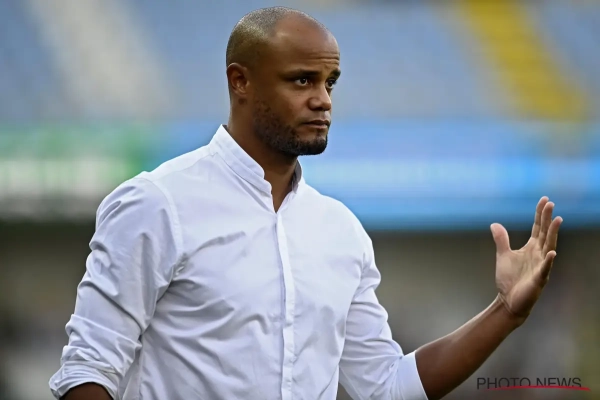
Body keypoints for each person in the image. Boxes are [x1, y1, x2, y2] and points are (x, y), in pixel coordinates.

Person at [49, 7, 562, 400]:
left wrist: (505, 313)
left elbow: (386, 387)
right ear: (240, 81)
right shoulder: (157, 203)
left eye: (329, 82)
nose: (323, 100)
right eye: (302, 80)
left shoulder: (340, 231)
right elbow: (88, 371)